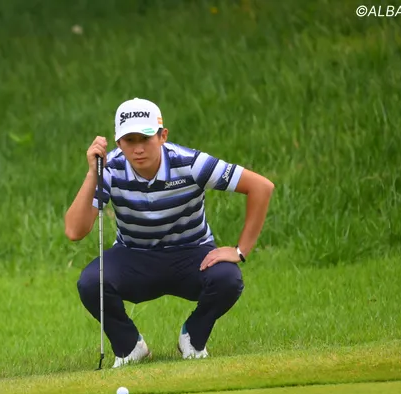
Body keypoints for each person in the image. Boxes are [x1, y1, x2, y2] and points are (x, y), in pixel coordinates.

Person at [64, 98, 275, 368]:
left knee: (227, 279)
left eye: (146, 138)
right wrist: (92, 174)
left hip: (191, 253)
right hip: (134, 255)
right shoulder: (110, 169)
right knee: (91, 282)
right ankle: (130, 348)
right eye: (129, 140)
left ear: (163, 136)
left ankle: (193, 338)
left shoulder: (190, 163)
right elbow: (74, 230)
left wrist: (240, 250)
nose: (138, 148)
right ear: (118, 143)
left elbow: (261, 187)